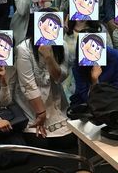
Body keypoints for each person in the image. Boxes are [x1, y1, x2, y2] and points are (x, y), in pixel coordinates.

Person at [15, 12, 76, 149]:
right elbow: (28, 85)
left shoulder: (62, 45)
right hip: (31, 103)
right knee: (40, 142)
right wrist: (41, 113)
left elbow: (60, 78)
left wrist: (49, 57)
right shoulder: (23, 48)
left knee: (68, 141)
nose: (51, 30)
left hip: (54, 100)